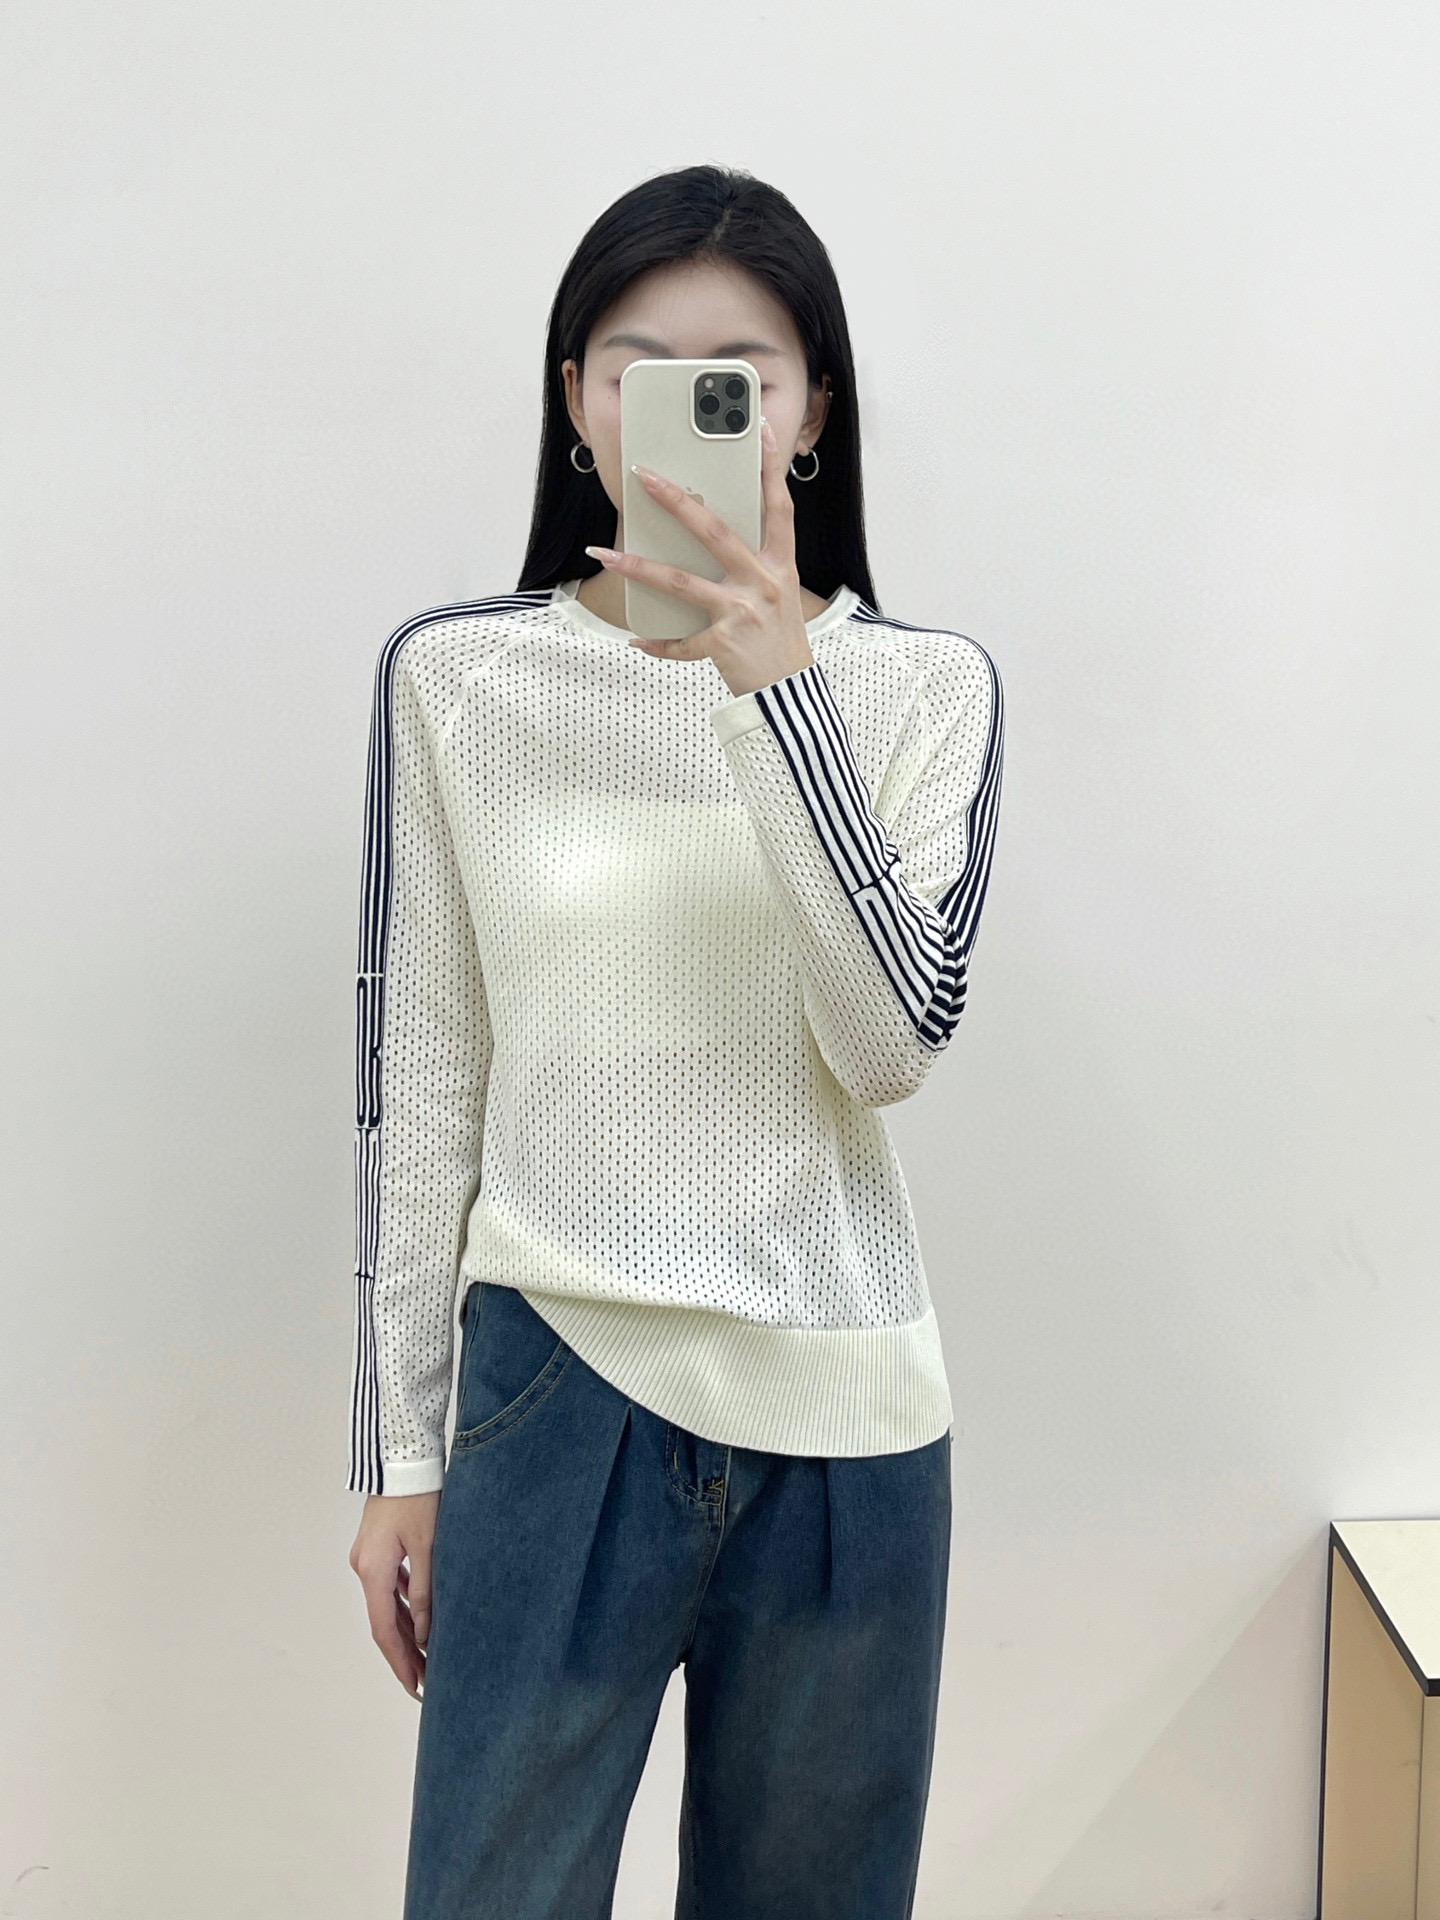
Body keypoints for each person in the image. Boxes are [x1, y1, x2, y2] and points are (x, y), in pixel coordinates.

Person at [345, 162, 1005, 1920]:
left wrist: (774, 689)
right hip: (552, 1388)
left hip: (848, 1421)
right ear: (574, 401)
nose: (685, 406)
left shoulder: (926, 689)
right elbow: (423, 1088)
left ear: (809, 415)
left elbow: (892, 1042)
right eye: (636, 368)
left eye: (740, 373)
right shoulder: (461, 682)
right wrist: (402, 1457)